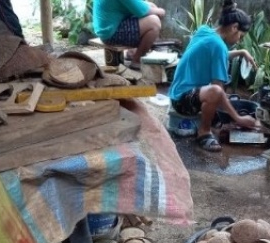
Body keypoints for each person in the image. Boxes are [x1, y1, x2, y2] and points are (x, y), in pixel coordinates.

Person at [168, 0, 259, 152]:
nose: (239, 40)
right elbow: (218, 90)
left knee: (220, 102)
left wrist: (241, 52)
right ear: (234, 27)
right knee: (217, 93)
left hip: (177, 92)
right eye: (241, 36)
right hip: (182, 101)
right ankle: (204, 133)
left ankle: (209, 121)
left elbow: (217, 55)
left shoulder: (206, 31)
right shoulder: (219, 47)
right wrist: (239, 118)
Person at [92, 0, 164, 70]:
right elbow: (142, 11)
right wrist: (161, 11)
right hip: (111, 34)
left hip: (108, 27)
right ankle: (137, 60)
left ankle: (132, 52)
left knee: (151, 6)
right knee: (154, 23)